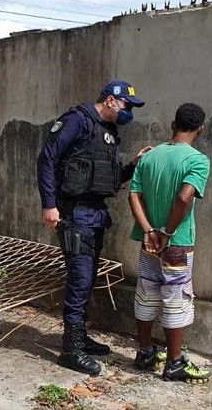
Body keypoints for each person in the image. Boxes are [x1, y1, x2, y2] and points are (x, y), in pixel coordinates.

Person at [37, 80, 151, 376]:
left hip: (96, 214)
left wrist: (134, 165)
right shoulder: (76, 120)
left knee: (87, 281)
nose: (129, 113)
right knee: (80, 279)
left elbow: (108, 179)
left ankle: (80, 337)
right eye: (127, 105)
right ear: (112, 101)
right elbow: (47, 159)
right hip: (74, 213)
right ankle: (70, 349)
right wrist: (49, 204)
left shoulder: (109, 132)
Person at [128, 103, 211, 383]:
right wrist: (167, 232)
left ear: (173, 124)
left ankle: (145, 352)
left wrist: (149, 230)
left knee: (147, 292)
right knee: (177, 299)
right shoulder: (198, 160)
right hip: (176, 242)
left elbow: (134, 196)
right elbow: (184, 198)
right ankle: (174, 362)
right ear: (200, 129)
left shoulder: (150, 156)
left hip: (148, 241)